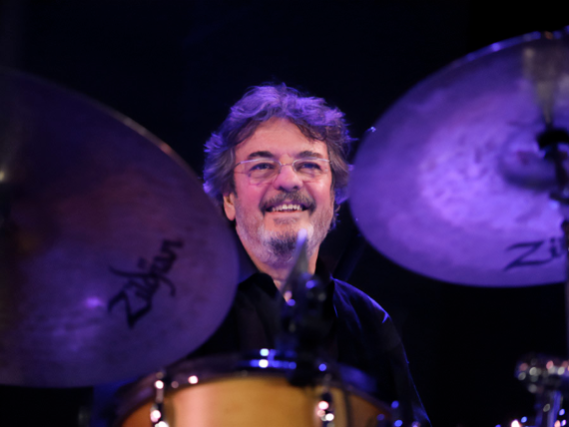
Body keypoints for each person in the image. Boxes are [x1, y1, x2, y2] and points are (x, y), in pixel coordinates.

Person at [191, 83, 430, 425]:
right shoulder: (179, 309)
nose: (288, 181)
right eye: (262, 166)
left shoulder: (368, 320)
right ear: (229, 198)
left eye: (309, 165)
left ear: (334, 197)